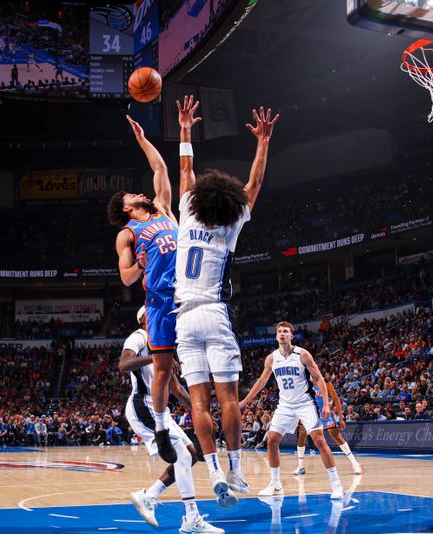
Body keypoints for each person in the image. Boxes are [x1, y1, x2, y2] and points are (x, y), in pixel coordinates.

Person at [173, 95, 279, 507]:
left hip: (185, 316)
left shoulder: (185, 211)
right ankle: (235, 469)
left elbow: (185, 169)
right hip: (215, 315)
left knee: (199, 402)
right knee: (229, 399)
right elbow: (254, 185)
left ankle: (213, 471)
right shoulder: (233, 222)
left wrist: (185, 130)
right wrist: (263, 141)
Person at [107, 115, 179, 464]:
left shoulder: (163, 207)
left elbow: (161, 167)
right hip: (159, 300)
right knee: (163, 370)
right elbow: (126, 279)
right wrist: (142, 265)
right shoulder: (128, 234)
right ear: (126, 209)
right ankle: (162, 429)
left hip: (188, 296)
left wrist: (141, 138)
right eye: (132, 195)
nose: (140, 192)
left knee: (195, 367)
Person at [120, 307, 223, 534]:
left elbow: (176, 388)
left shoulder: (162, 345)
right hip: (143, 405)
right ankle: (191, 518)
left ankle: (149, 496)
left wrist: (202, 412)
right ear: (144, 319)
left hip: (160, 409)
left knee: (191, 455)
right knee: (183, 456)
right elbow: (124, 364)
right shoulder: (140, 336)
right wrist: (154, 357)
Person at [239, 322, 344, 499]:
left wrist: (326, 404)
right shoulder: (272, 358)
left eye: (285, 331)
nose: (282, 334)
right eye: (279, 331)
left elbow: (318, 379)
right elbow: (261, 382)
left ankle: (336, 484)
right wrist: (244, 401)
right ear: (276, 336)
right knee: (272, 440)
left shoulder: (302, 354)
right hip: (285, 404)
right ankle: (275, 484)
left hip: (305, 402)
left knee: (319, 439)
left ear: (291, 336)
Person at [294, 381, 362, 476]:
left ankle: (355, 464)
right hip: (310, 414)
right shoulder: (304, 382)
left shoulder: (325, 382)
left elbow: (336, 399)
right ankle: (300, 466)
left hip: (324, 413)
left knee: (337, 437)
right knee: (302, 434)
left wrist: (341, 419)